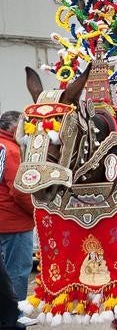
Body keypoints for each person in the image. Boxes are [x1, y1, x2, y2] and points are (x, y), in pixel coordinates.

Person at [0, 111, 36, 328]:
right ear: (15, 129)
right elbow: (20, 190)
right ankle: (15, 315)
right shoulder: (12, 150)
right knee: (17, 269)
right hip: (14, 221)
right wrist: (36, 212)